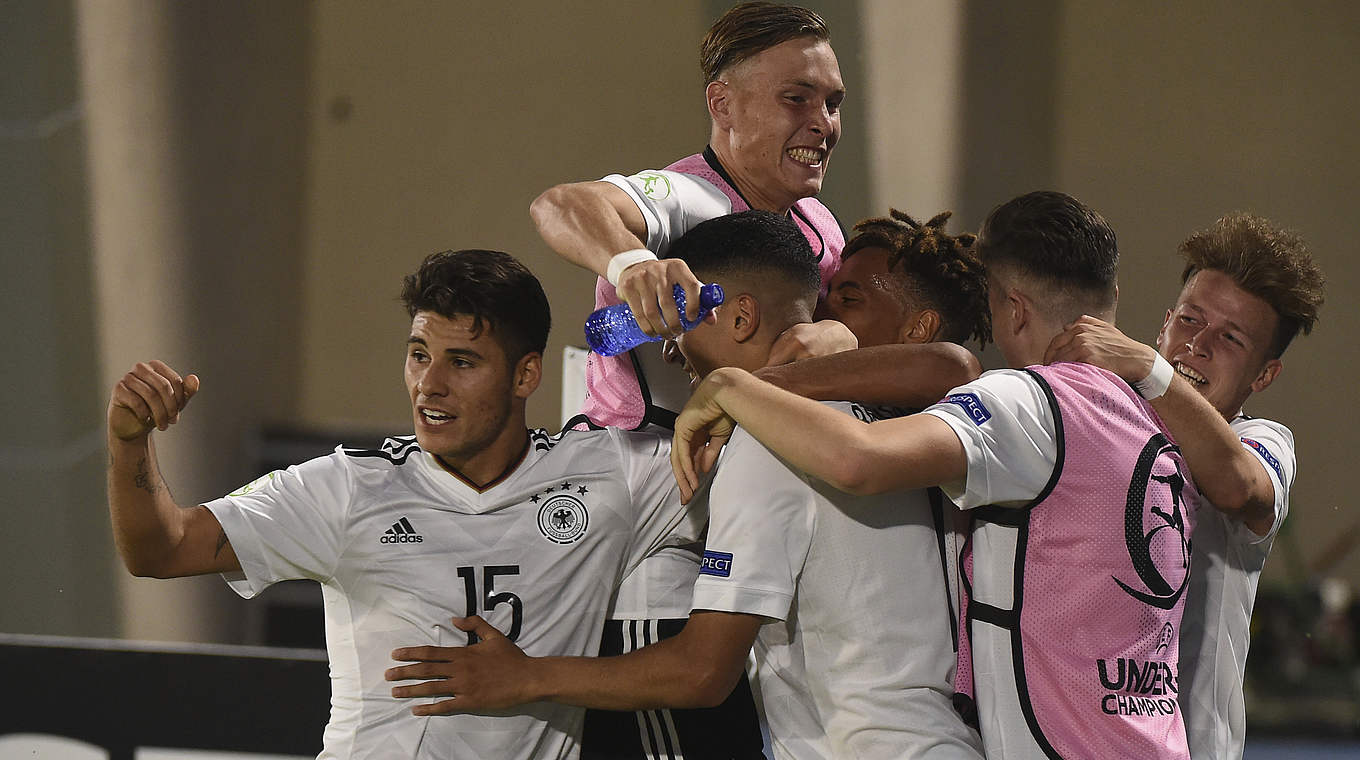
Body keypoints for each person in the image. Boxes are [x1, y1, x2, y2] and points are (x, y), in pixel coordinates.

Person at [386, 210, 987, 759]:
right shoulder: (921, 427)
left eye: (684, 317)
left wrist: (524, 676)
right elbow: (953, 367)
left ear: (740, 316)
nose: (671, 347)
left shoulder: (771, 442)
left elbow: (701, 672)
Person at [666, 191, 1231, 759]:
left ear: (1013, 308)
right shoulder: (1154, 414)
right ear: (1114, 295)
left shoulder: (1025, 404)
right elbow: (951, 367)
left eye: (846, 300)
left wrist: (735, 387)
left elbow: (862, 455)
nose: (821, 318)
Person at [105, 249, 705, 760]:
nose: (429, 385)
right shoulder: (347, 489)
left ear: (526, 376)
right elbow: (163, 549)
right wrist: (129, 444)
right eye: (419, 354)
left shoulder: (611, 477)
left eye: (461, 362)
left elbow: (745, 451)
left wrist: (722, 384)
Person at [533, 5, 850, 754]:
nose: (823, 123)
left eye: (833, 102)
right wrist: (630, 265)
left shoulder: (820, 228)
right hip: (651, 530)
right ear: (722, 103)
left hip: (741, 529)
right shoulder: (689, 198)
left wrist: (836, 338)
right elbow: (563, 206)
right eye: (797, 98)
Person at [1043, 211, 1324, 759]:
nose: (1198, 344)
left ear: (1264, 375)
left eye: (1231, 338)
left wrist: (1150, 370)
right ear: (1165, 322)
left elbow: (1239, 487)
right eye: (1191, 320)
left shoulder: (1260, 441)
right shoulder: (1102, 422)